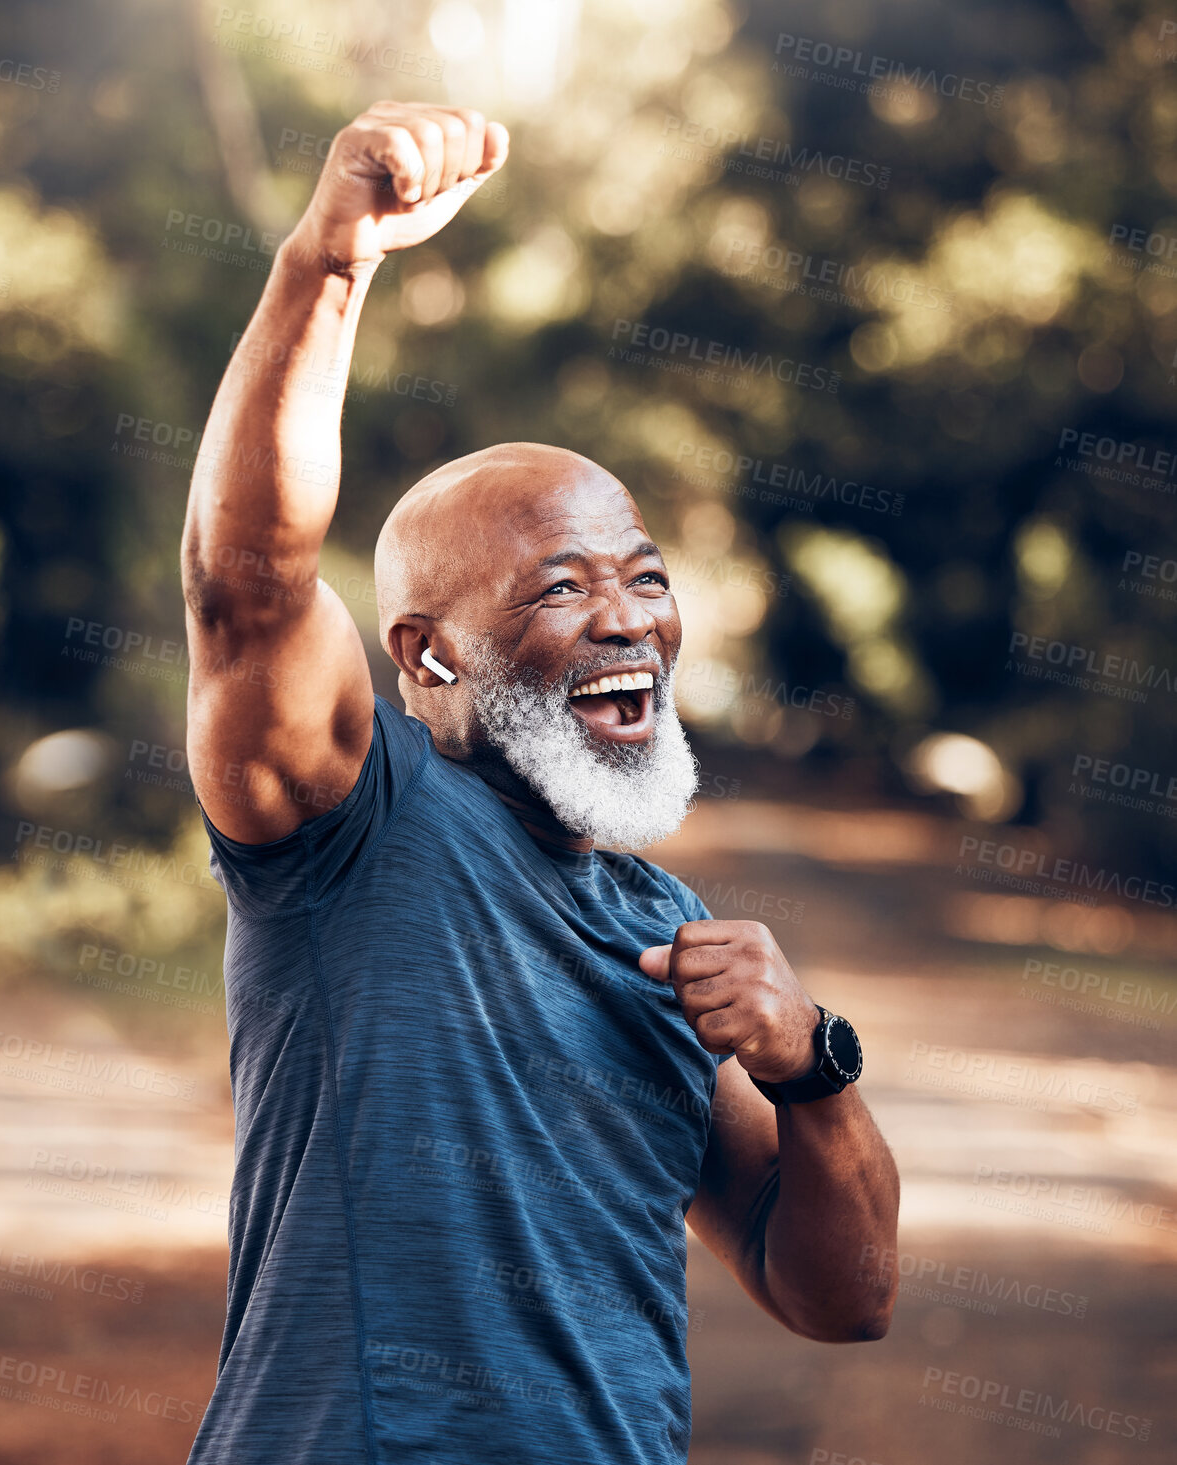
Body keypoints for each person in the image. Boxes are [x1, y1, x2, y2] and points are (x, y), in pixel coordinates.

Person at [179, 99, 899, 1465]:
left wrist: (813, 1066)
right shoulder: (353, 831)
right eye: (563, 587)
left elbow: (842, 1297)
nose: (631, 618)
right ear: (426, 658)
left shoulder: (661, 927)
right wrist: (330, 264)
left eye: (645, 577)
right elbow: (247, 583)